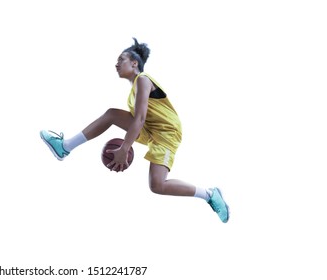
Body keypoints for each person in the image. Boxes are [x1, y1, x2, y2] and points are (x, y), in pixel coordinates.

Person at [39, 38, 230, 223]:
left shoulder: (143, 79)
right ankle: (64, 147)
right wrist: (125, 145)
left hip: (166, 132)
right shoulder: (133, 90)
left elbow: (139, 118)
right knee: (112, 114)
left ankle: (210, 195)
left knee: (157, 185)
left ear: (134, 63)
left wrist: (124, 148)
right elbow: (139, 120)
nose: (116, 64)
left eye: (120, 60)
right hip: (151, 129)